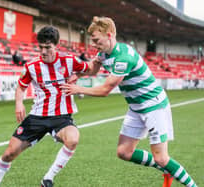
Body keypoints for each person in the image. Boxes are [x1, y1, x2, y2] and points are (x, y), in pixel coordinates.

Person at [61, 16, 198, 187]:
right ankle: (165, 169)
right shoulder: (103, 53)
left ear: (109, 35)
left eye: (96, 40)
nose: (93, 44)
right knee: (124, 152)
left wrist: (78, 89)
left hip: (153, 106)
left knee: (162, 157)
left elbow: (105, 90)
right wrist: (78, 75)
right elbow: (93, 68)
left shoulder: (123, 58)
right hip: (136, 107)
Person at [0, 26, 96, 187]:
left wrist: (78, 74)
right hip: (37, 116)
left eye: (48, 47)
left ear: (56, 45)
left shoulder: (69, 60)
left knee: (73, 139)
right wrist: (19, 103)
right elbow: (21, 87)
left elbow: (90, 69)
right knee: (9, 153)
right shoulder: (32, 66)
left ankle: (48, 178)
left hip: (62, 117)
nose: (44, 51)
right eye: (41, 47)